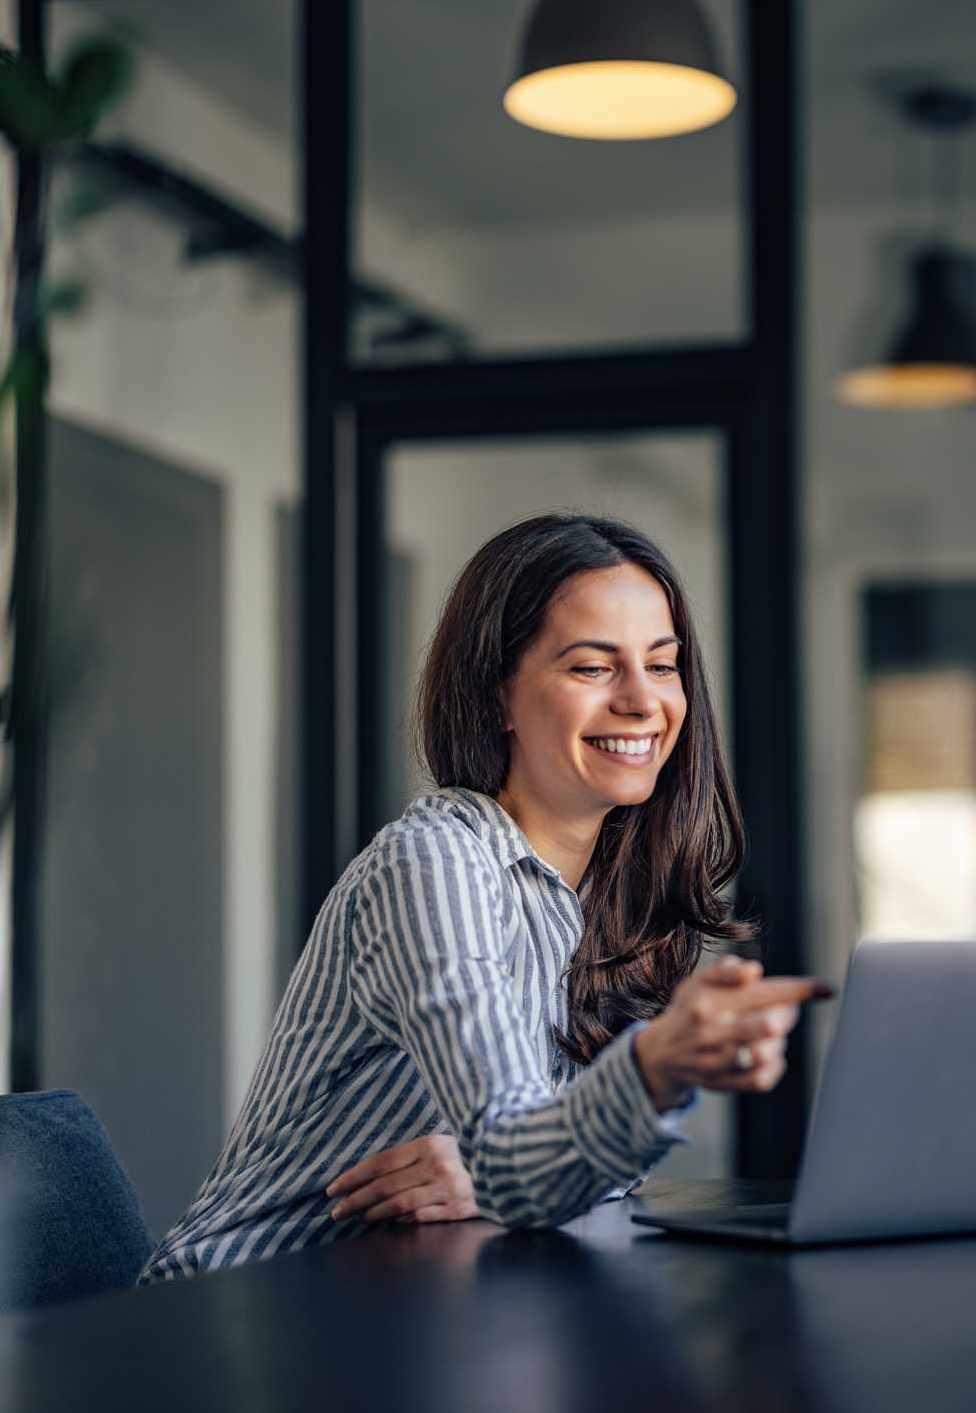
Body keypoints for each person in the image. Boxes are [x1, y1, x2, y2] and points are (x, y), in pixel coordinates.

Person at [142, 514, 823, 1280]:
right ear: (499, 694)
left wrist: (491, 1175)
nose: (642, 701)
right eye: (593, 668)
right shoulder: (433, 864)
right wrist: (643, 1076)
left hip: (404, 1307)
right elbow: (523, 1161)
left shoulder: (610, 892)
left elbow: (538, 1170)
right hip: (240, 1313)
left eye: (662, 666)